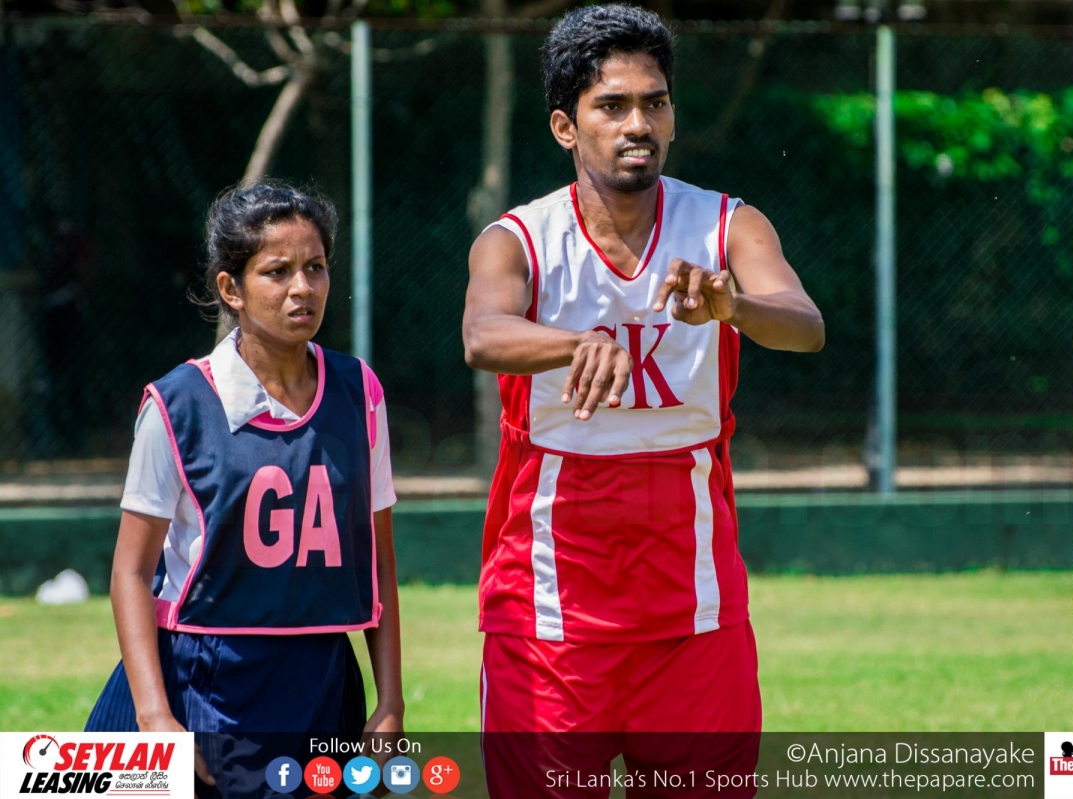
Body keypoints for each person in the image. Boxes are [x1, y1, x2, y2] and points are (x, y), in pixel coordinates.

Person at [462, 5, 825, 797]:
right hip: (549, 617)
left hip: (694, 612)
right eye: (613, 105)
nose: (639, 124)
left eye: (654, 103)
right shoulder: (519, 239)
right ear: (565, 126)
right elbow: (482, 334)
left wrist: (733, 306)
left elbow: (805, 325)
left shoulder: (726, 225)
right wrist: (574, 343)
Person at [86, 181, 403, 797]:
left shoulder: (359, 392)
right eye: (277, 272)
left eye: (316, 267)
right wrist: (156, 719)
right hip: (203, 679)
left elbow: (379, 561)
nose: (302, 288)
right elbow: (131, 571)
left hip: (320, 680)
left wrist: (390, 702)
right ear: (231, 288)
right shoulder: (177, 405)